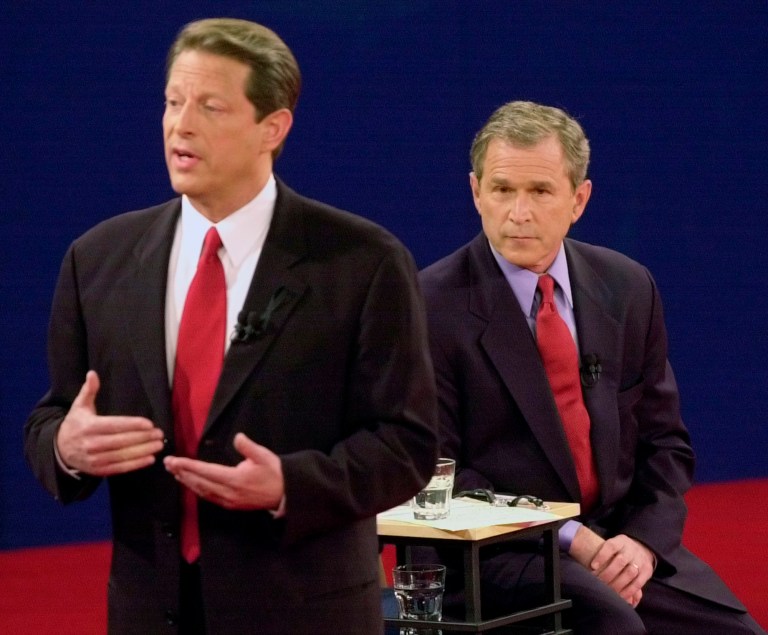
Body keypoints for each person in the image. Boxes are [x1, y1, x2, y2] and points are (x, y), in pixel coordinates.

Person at [24, 18, 438, 635]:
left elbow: (407, 445)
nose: (181, 125)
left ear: (273, 127)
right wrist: (67, 447)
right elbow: (52, 417)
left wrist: (290, 485)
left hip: (303, 612)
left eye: (210, 107)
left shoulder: (361, 262)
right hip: (150, 611)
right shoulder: (99, 258)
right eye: (173, 102)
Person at [418, 100, 764, 634]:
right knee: (616, 623)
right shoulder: (431, 304)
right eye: (502, 189)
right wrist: (570, 536)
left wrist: (642, 544)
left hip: (620, 539)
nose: (518, 212)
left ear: (579, 199)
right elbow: (436, 468)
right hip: (499, 553)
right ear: (476, 191)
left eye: (540, 191)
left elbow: (666, 445)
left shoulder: (626, 286)